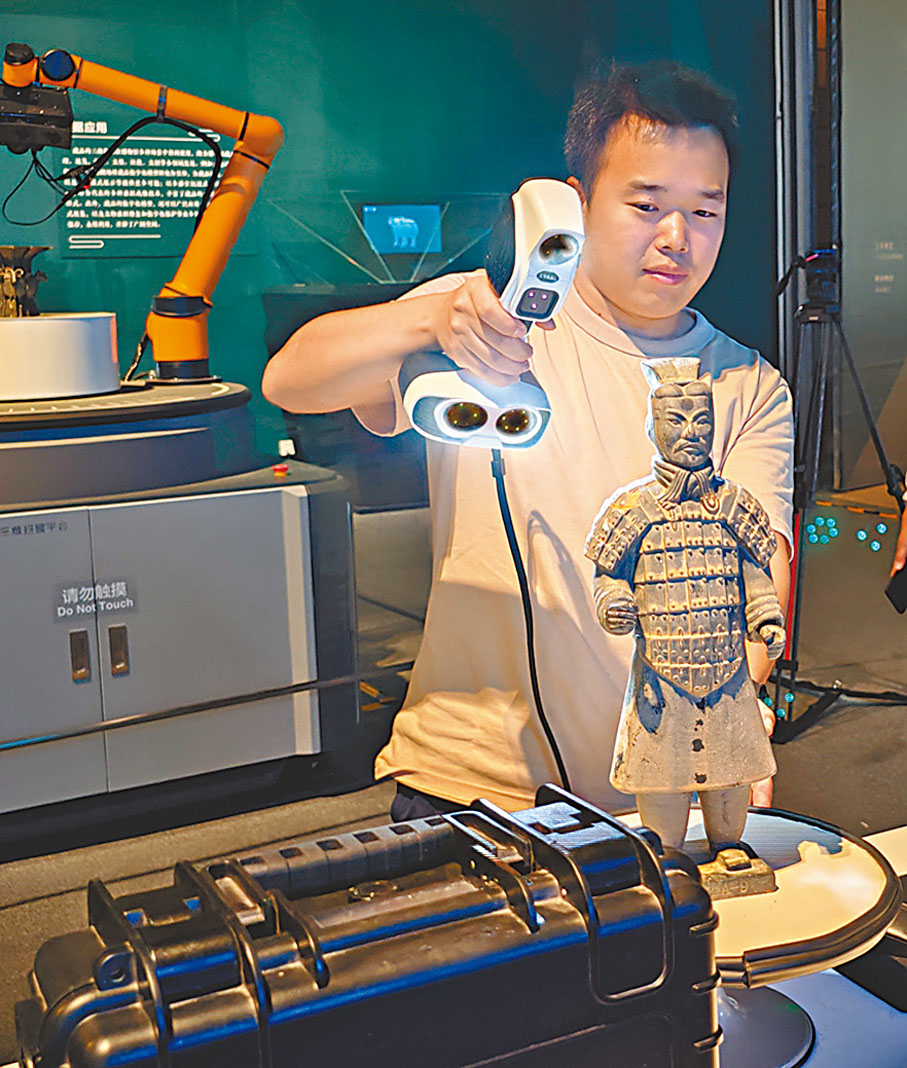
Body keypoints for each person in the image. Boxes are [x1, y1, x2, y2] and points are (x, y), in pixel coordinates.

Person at [262, 60, 794, 822]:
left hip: (658, 796)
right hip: (465, 783)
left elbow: (757, 580)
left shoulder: (748, 385)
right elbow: (291, 380)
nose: (677, 238)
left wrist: (727, 712)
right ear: (578, 202)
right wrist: (427, 320)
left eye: (704, 211)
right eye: (646, 205)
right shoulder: (493, 320)